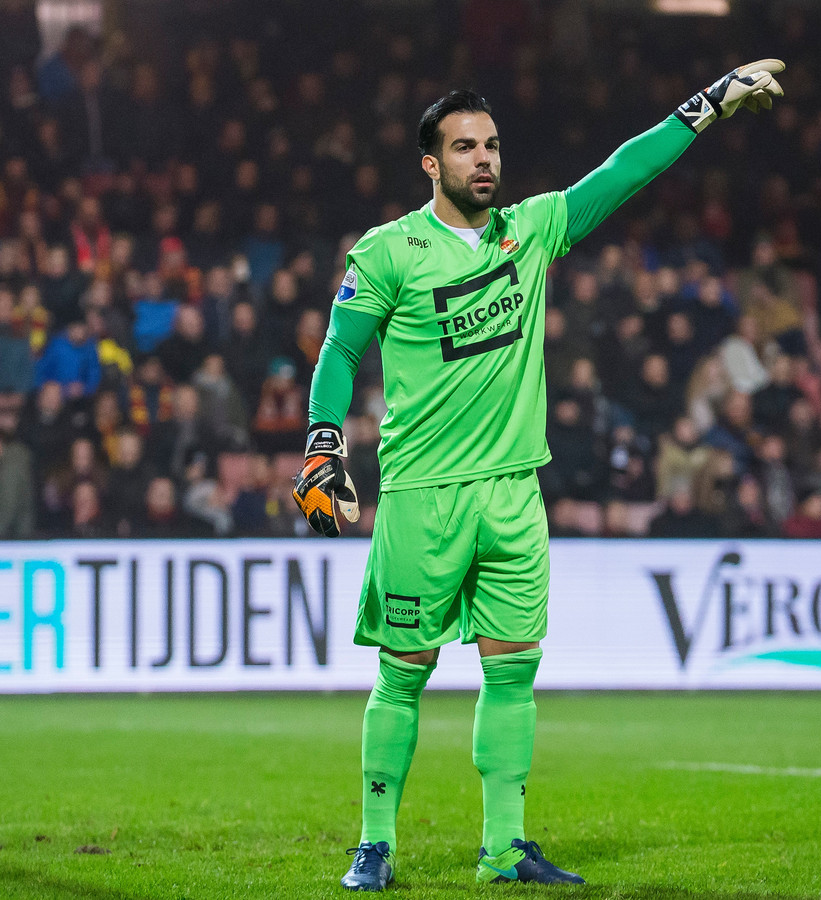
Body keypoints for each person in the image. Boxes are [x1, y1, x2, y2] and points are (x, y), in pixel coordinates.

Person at [292, 65, 786, 892]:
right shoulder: (386, 252)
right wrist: (321, 448)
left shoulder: (535, 228)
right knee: (403, 672)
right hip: (423, 493)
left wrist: (707, 104)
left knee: (513, 669)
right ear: (431, 164)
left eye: (489, 145)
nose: (483, 160)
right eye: (463, 148)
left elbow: (624, 172)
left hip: (515, 491)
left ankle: (504, 849)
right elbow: (340, 351)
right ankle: (375, 843)